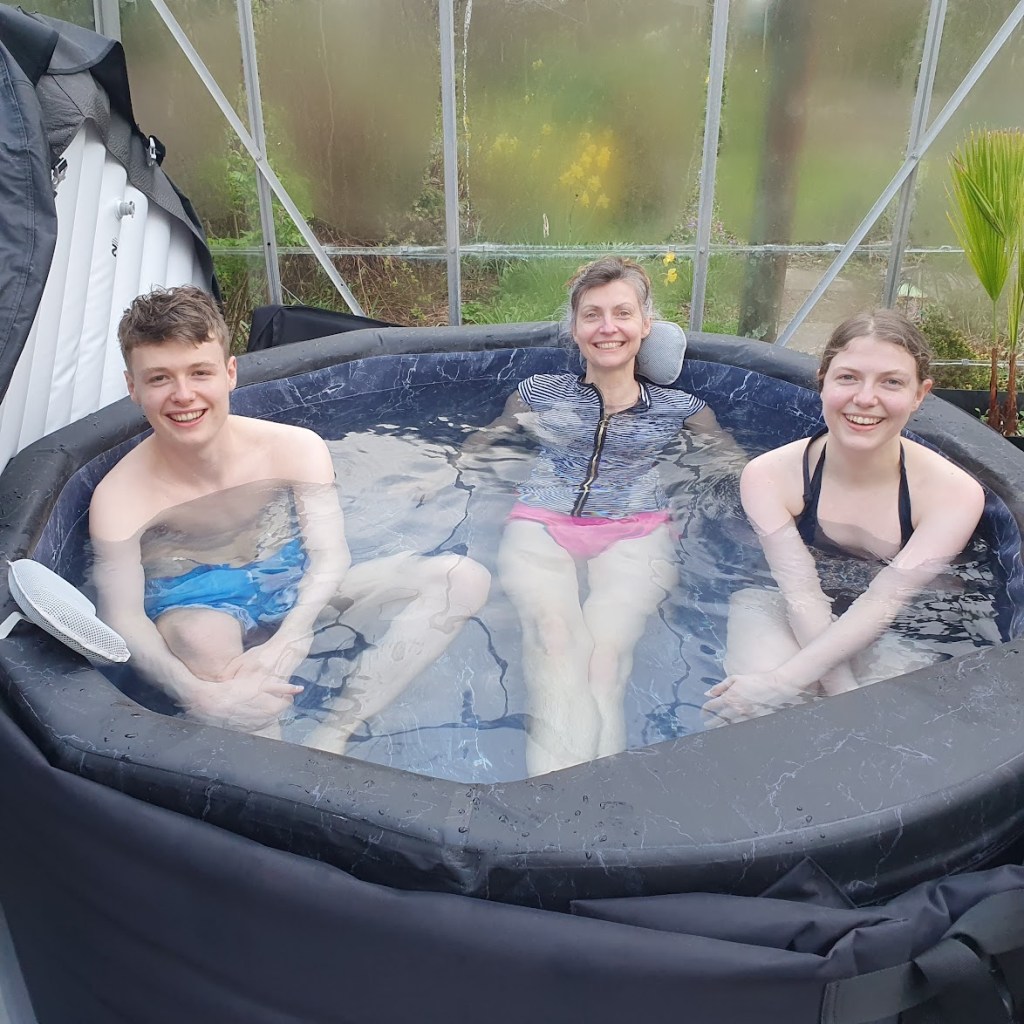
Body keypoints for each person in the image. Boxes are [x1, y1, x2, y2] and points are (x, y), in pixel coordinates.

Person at [89, 286, 490, 749]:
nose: (183, 395)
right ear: (132, 387)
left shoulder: (294, 449)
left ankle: (333, 735)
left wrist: (294, 636)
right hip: (197, 601)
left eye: (200, 372)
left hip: (289, 583)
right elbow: (122, 617)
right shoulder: (120, 497)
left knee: (461, 579)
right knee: (200, 641)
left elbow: (329, 557)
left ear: (230, 372)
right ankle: (278, 768)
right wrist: (194, 693)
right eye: (159, 379)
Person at [477, 256, 729, 775]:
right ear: (575, 328)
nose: (608, 327)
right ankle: (550, 790)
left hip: (635, 528)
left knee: (604, 657)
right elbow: (484, 448)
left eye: (622, 313)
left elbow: (733, 470)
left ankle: (596, 799)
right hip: (542, 520)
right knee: (553, 635)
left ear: (645, 326)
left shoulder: (682, 409)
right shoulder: (537, 395)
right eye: (592, 315)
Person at [703, 309, 985, 726]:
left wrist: (797, 686)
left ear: (920, 395)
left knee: (886, 731)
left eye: (891, 381)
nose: (865, 398)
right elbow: (800, 592)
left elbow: (885, 600)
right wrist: (811, 689)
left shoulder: (953, 494)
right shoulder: (769, 476)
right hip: (785, 606)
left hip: (897, 626)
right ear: (822, 381)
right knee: (747, 715)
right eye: (848, 377)